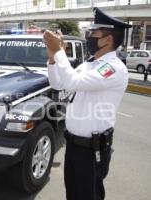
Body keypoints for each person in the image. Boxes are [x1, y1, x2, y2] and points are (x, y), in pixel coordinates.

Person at [43, 7, 131, 200]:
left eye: (93, 33)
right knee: (73, 194)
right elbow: (59, 84)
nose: (89, 36)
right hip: (73, 144)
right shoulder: (89, 64)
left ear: (108, 39)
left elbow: (74, 82)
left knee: (88, 195)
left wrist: (59, 52)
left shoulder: (113, 68)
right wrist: (52, 58)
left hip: (93, 150)